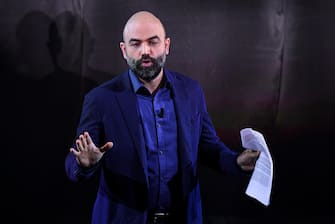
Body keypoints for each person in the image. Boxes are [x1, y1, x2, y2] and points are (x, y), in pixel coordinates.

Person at [65, 10, 260, 224]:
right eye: (135, 44)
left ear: (166, 45)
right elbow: (74, 162)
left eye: (153, 42)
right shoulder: (100, 99)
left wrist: (236, 161)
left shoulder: (191, 91)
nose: (145, 51)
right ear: (124, 50)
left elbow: (208, 147)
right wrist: (84, 164)